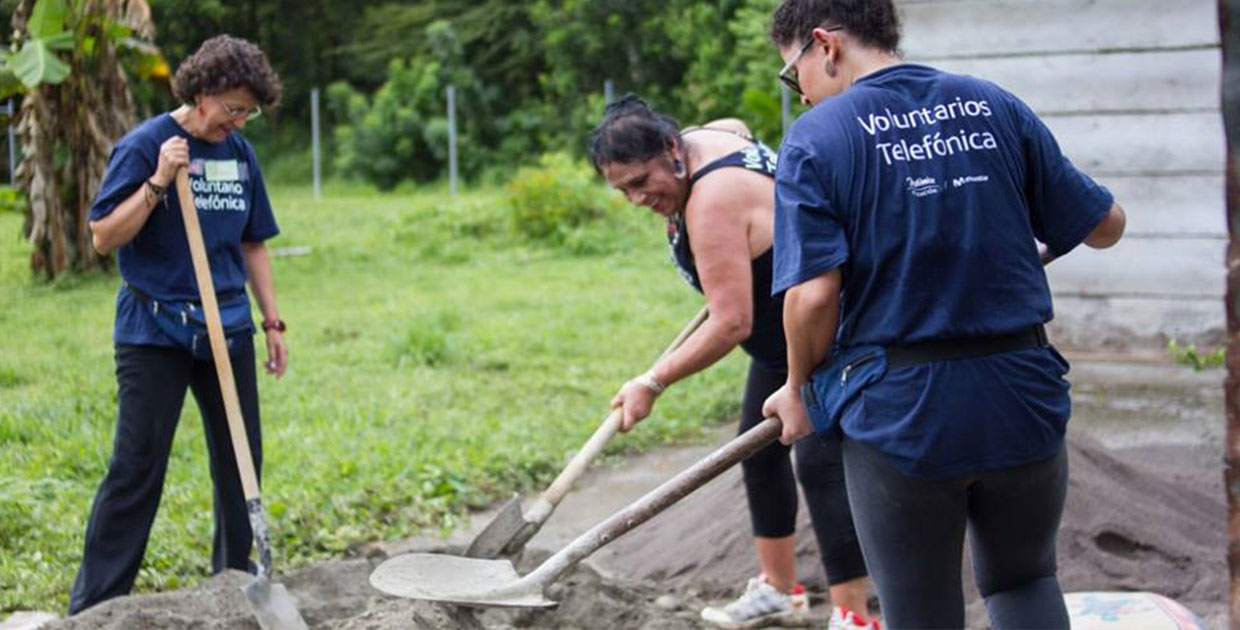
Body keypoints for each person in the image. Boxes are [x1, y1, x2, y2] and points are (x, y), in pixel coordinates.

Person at [759, 1, 1127, 628]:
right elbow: (1105, 226)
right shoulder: (992, 103)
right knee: (1024, 581)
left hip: (904, 416)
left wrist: (797, 389)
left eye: (795, 76)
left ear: (825, 45)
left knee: (921, 610)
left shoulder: (817, 139)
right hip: (1022, 395)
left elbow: (814, 296)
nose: (806, 95)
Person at [590, 94, 876, 630]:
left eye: (640, 180)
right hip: (780, 337)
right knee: (758, 450)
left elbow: (730, 322)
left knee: (817, 464)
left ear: (672, 149)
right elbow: (739, 125)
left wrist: (653, 381)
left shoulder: (710, 201)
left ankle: (854, 617)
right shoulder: (712, 136)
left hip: (823, 331)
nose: (634, 198)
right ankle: (778, 590)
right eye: (622, 189)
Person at [69, 35, 288, 614]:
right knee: (137, 467)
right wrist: (160, 181)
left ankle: (235, 587)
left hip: (229, 328)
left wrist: (272, 321)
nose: (238, 121)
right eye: (232, 108)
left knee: (240, 464)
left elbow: (253, 242)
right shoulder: (145, 146)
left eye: (249, 111)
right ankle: (95, 606)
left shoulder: (239, 154)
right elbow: (103, 236)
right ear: (201, 92)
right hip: (155, 332)